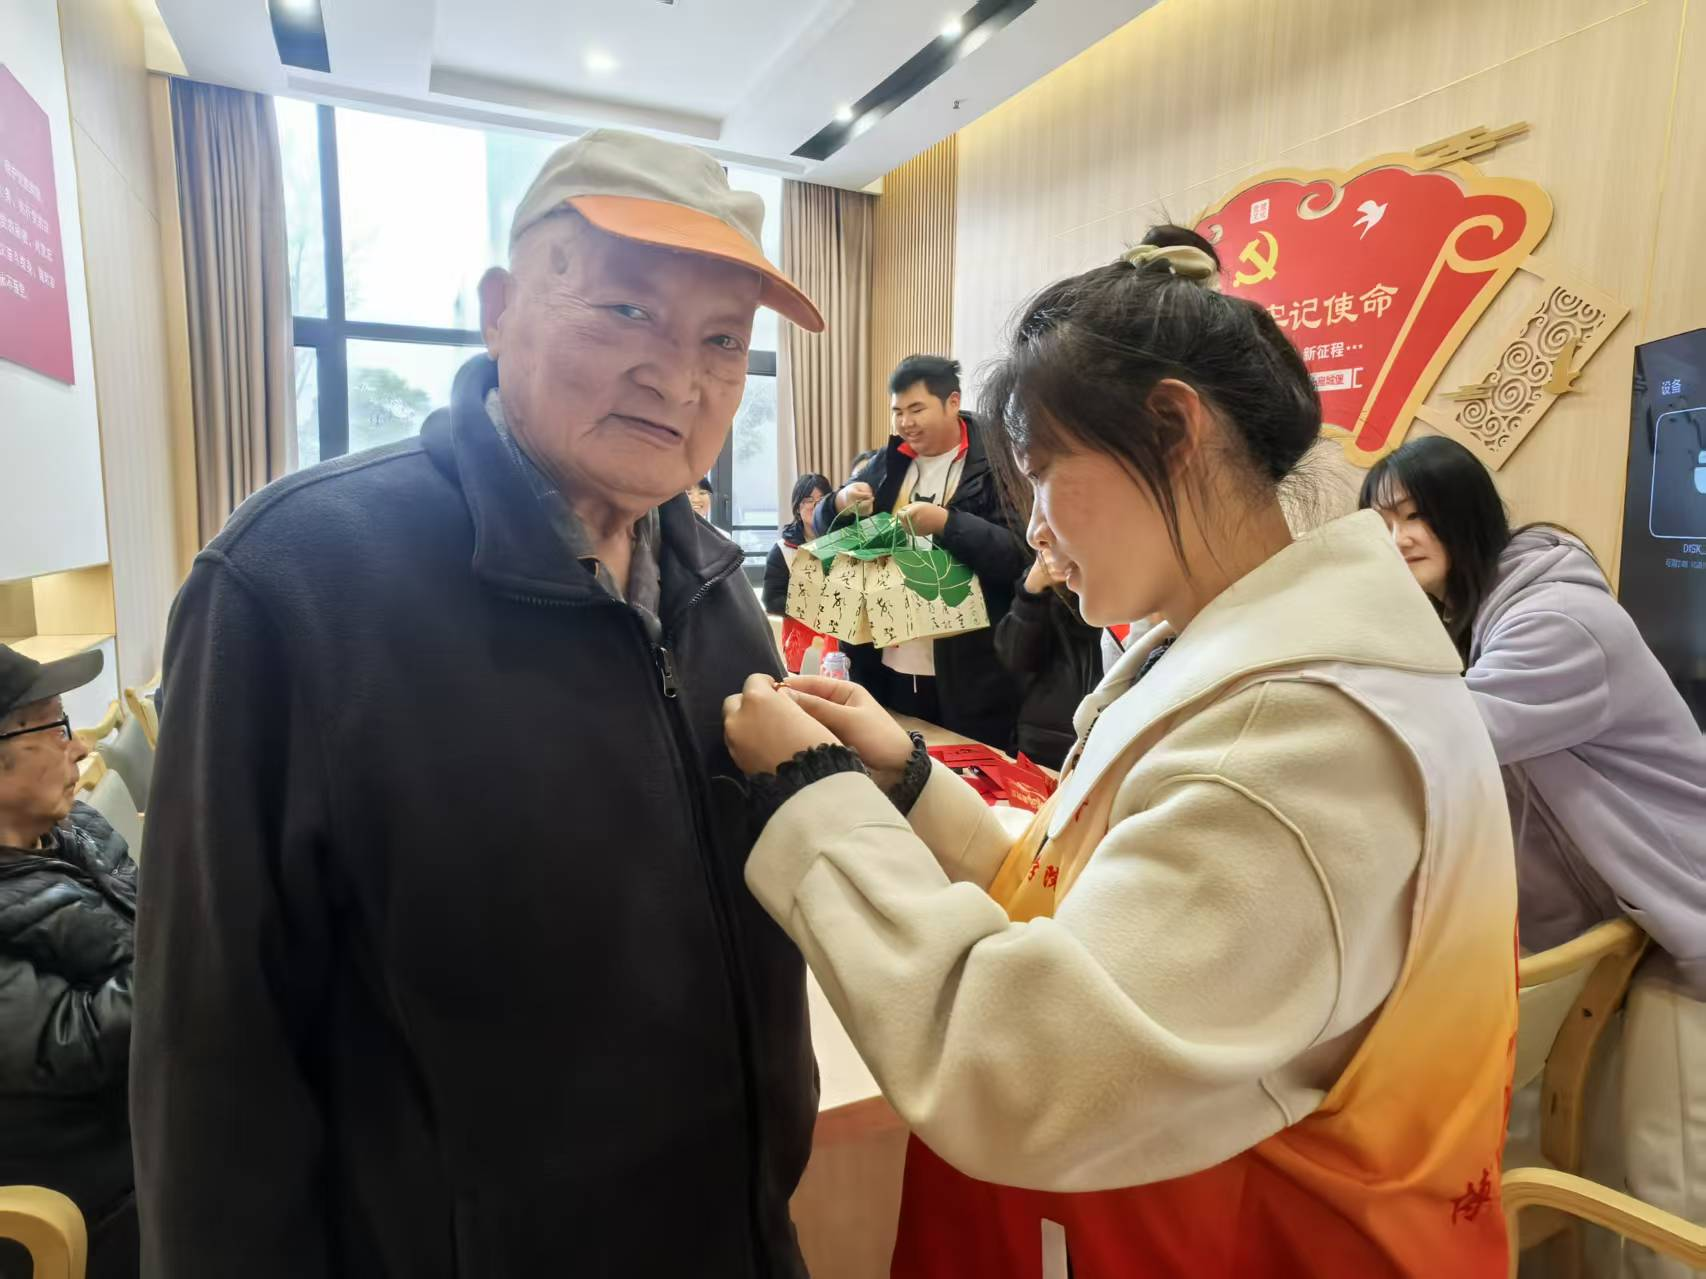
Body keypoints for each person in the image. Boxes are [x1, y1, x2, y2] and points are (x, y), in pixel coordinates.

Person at [723, 242, 1519, 1277]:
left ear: (1173, 430)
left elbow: (1024, 1071)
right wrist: (907, 780)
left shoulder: (1302, 734)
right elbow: (1088, 910)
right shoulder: (1215, 653)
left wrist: (812, 798)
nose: (1035, 526)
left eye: (1044, 474)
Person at [134, 130, 825, 1278]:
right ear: (499, 309)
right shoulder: (295, 582)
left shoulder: (717, 590)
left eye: (721, 340)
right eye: (627, 311)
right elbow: (212, 1054)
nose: (679, 377)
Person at [1361, 435, 1706, 1277]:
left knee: (1665, 1180)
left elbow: (1443, 739)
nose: (1397, 538)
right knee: (1608, 1160)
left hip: (1682, 905)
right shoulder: (1479, 616)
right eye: (1380, 523)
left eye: (1414, 515)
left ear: (1467, 515)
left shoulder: (1554, 623)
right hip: (1627, 913)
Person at [0, 644, 138, 1279]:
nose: (81, 747)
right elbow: (73, 1044)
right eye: (55, 728)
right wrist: (203, 958)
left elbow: (155, 910)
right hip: (98, 1180)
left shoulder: (76, 826)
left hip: (162, 1089)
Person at [815, 355, 1028, 748]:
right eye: (897, 412)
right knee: (891, 759)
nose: (905, 423)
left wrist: (947, 524)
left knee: (963, 769)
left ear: (952, 402)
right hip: (884, 654)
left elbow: (1019, 557)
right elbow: (826, 527)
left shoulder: (997, 463)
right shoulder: (890, 462)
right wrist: (839, 501)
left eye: (916, 409)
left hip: (967, 668)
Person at [991, 553, 1106, 769]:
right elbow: (1015, 658)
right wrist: (1031, 591)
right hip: (1046, 742)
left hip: (1108, 739)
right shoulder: (1052, 567)